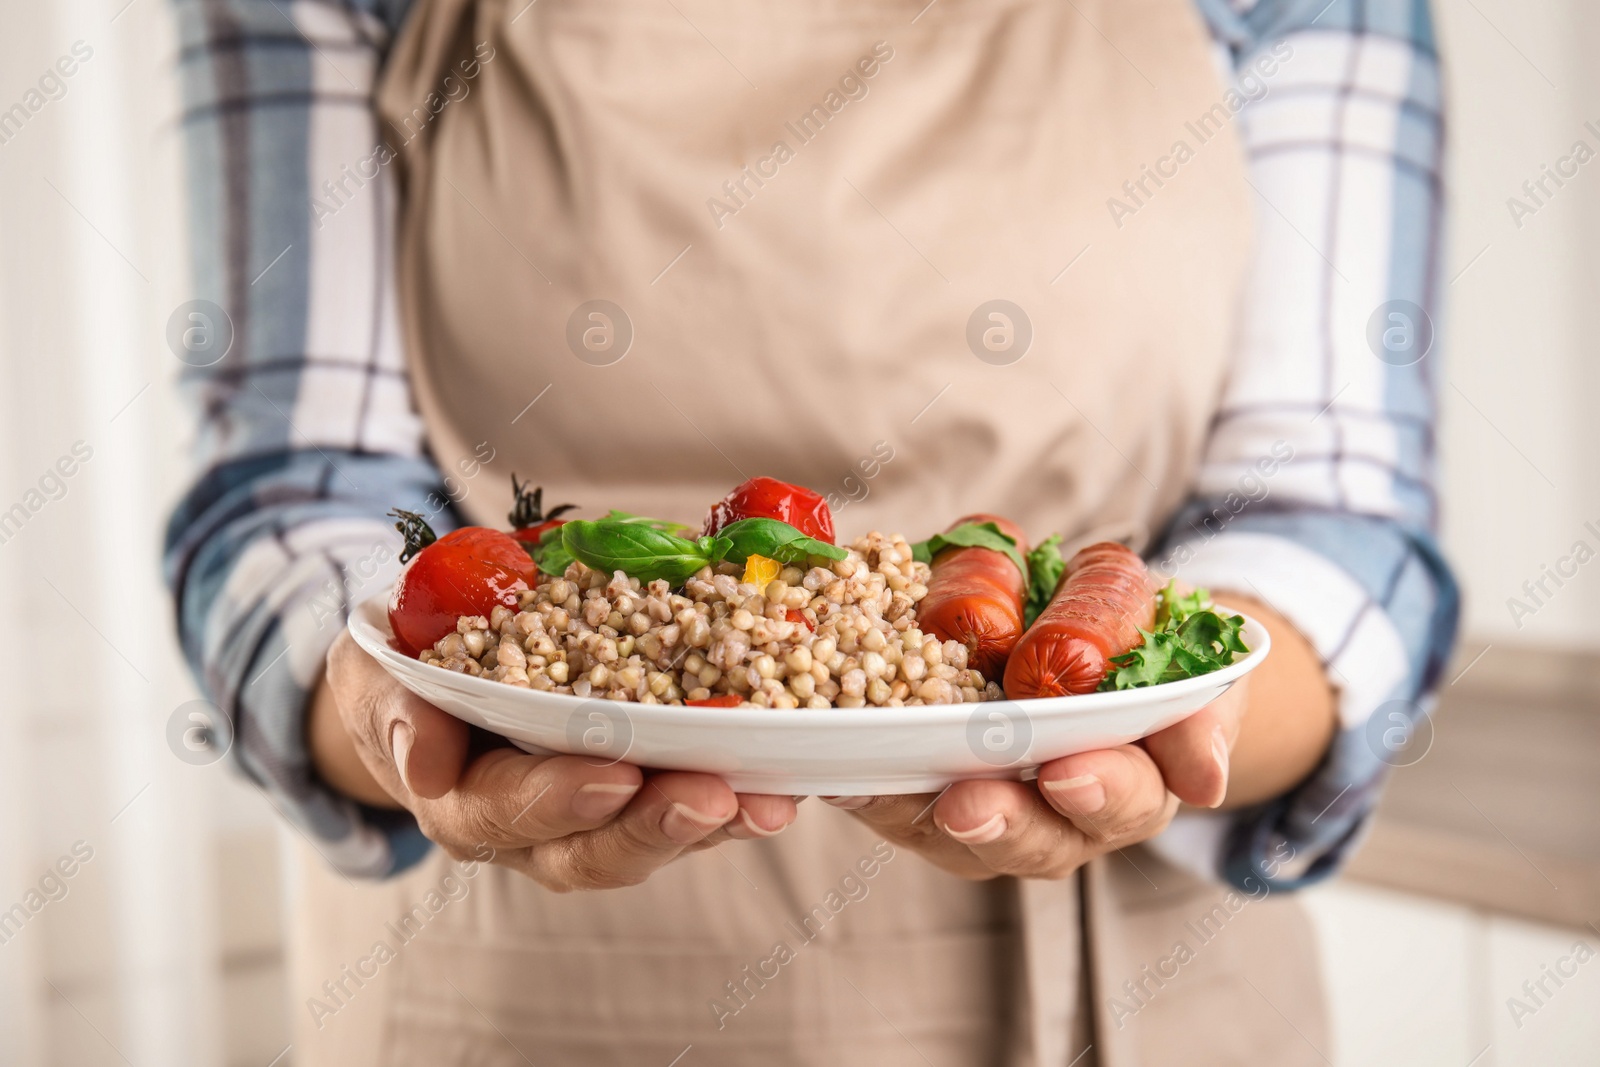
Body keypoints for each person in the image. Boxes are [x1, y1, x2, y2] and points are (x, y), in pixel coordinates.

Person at [165, 0, 1458, 1062]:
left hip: (1141, 994)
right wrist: (382, 702)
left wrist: (1180, 717)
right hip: (520, 985)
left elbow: (1332, 516)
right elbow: (291, 485)